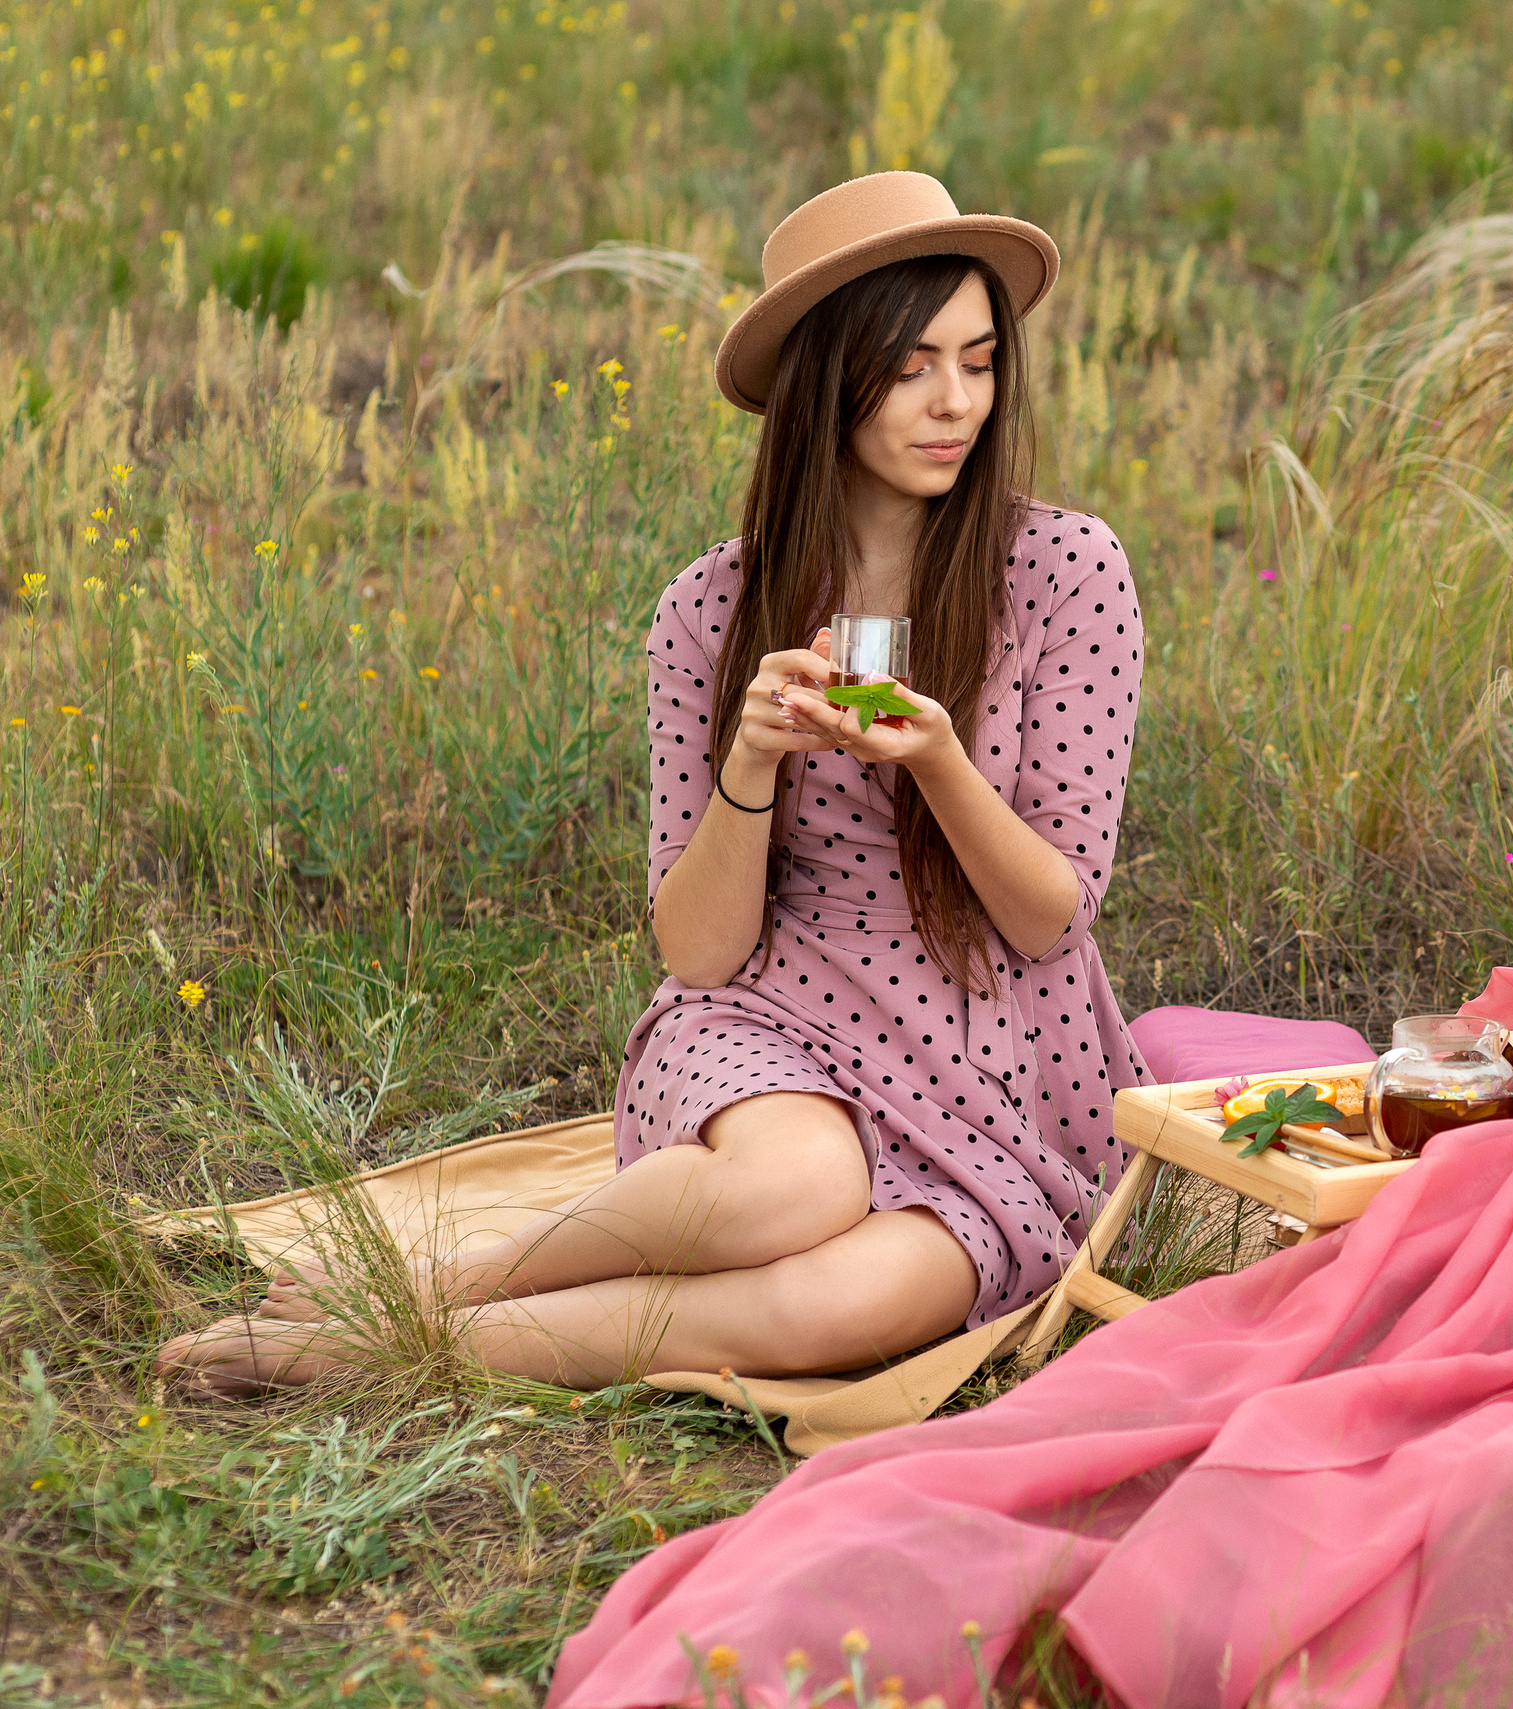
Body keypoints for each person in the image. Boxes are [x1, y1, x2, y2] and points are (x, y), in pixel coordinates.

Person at [158, 173, 1152, 1397]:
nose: (956, 403)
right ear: (824, 382)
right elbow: (698, 950)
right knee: (797, 1188)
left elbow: (1052, 914)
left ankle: (386, 1339)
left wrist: (938, 760)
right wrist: (748, 764)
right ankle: (433, 1275)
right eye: (909, 368)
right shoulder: (710, 607)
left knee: (851, 1301)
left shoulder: (1065, 569)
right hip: (778, 1012)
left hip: (993, 1029)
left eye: (980, 361)